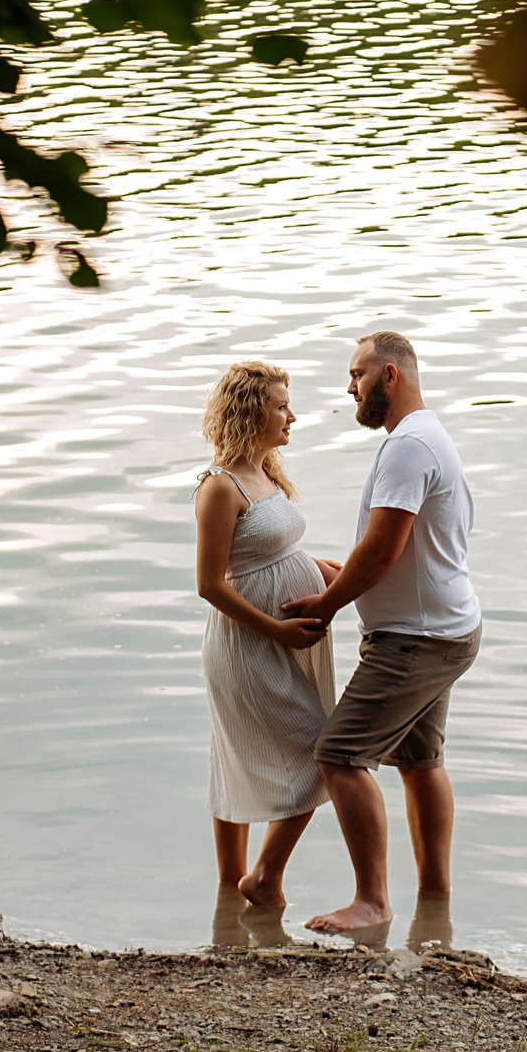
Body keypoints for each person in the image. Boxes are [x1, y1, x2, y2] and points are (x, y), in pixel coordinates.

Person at [281, 330, 481, 935]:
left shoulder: (408, 446)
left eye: (357, 375)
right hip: (446, 627)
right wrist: (338, 575)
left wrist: (329, 604)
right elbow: (410, 552)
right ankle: (436, 901)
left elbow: (384, 547)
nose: (350, 388)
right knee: (420, 762)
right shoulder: (426, 437)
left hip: (416, 639)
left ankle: (373, 902)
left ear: (390, 375)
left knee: (339, 755)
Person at [194, 360, 337, 910]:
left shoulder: (267, 473)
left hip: (284, 639)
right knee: (314, 749)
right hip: (250, 643)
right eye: (281, 406)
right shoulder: (219, 487)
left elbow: (269, 548)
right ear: (252, 410)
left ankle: (229, 898)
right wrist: (277, 629)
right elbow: (210, 584)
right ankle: (259, 880)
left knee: (245, 749)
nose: (292, 416)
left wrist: (318, 567)